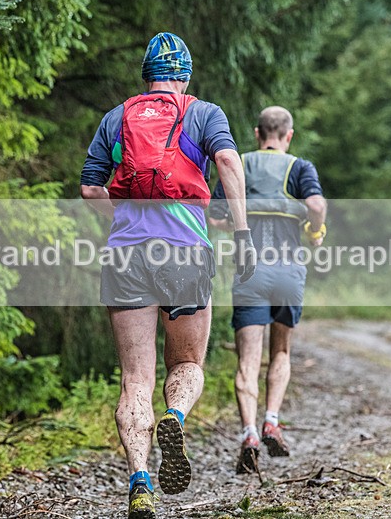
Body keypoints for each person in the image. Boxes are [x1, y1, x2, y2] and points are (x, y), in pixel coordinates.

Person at [80, 32, 256, 518]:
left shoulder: (116, 118)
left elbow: (90, 190)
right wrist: (241, 232)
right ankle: (174, 417)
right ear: (185, 75)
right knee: (188, 366)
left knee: (134, 380)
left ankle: (140, 483)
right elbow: (226, 160)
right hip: (185, 253)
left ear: (146, 76)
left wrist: (123, 220)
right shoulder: (204, 113)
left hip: (126, 256)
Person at [208, 106, 327, 474]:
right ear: (288, 135)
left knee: (247, 359)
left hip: (250, 271)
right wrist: (314, 231)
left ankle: (248, 435)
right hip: (289, 273)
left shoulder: (238, 163)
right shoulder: (300, 168)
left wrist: (236, 224)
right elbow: (316, 205)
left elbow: (213, 215)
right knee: (281, 352)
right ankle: (271, 421)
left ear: (258, 133)